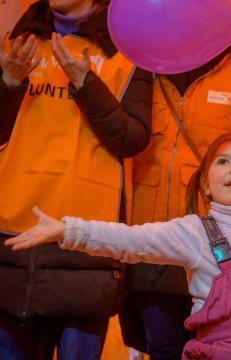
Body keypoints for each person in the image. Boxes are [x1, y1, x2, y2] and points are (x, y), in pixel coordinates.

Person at [6, 114, 231, 359]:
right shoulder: (194, 233)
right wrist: (70, 230)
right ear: (205, 184)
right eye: (224, 162)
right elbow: (130, 241)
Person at [121, 3, 231, 359]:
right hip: (151, 239)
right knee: (161, 346)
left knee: (216, 348)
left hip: (213, 244)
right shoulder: (146, 61)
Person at [0, 0, 152, 358]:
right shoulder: (15, 42)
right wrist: (8, 81)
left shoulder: (127, 53)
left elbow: (132, 139)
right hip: (12, 238)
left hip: (85, 241)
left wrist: (85, 83)